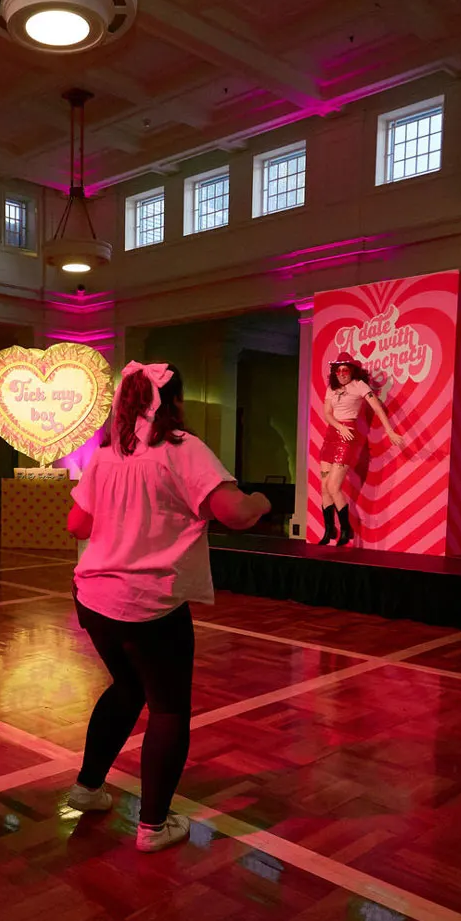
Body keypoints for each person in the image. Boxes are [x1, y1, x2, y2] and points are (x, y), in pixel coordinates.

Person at [63, 363, 271, 853]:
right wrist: (260, 500)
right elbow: (235, 513)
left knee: (128, 686)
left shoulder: (108, 455)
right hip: (148, 604)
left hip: (94, 600)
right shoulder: (181, 447)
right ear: (172, 402)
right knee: (169, 708)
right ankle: (153, 826)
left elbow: (76, 525)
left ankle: (88, 788)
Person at [313, 354, 405, 547]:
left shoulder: (359, 385)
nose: (341, 374)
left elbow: (378, 409)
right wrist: (339, 426)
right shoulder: (332, 388)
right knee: (324, 487)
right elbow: (327, 414)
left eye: (344, 370)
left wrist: (390, 431)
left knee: (333, 486)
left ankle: (346, 528)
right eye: (337, 371)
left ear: (352, 370)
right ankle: (330, 529)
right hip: (332, 434)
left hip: (347, 436)